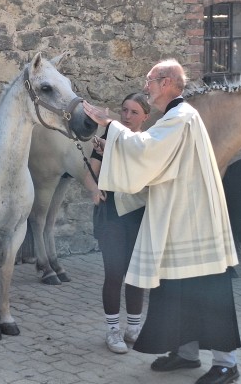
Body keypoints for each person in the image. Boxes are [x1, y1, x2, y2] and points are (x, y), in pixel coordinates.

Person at [84, 59, 241, 384]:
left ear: (167, 82)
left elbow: (145, 152)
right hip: (179, 222)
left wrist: (108, 124)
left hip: (193, 225)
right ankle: (187, 353)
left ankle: (227, 364)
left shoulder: (181, 118)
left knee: (207, 291)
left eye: (150, 81)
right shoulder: (174, 118)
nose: (146, 87)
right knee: (177, 290)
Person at [90, 93, 150, 354]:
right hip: (111, 214)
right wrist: (93, 188)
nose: (127, 116)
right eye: (124, 110)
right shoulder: (106, 138)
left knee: (136, 275)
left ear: (145, 117)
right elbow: (91, 171)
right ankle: (113, 330)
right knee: (114, 273)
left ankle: (134, 328)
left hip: (139, 215)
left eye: (134, 112)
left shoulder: (148, 143)